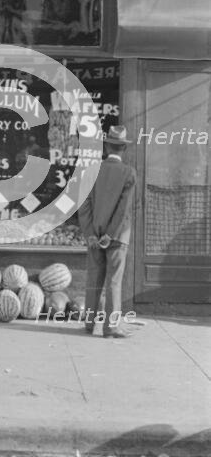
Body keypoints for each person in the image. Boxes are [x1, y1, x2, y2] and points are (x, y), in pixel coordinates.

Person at [78, 125, 136, 339]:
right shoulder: (129, 173)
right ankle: (111, 328)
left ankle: (89, 324)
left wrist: (91, 233)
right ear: (123, 149)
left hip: (94, 234)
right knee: (114, 281)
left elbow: (84, 206)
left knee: (94, 279)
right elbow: (124, 209)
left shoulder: (92, 171)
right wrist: (110, 235)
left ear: (107, 146)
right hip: (117, 237)